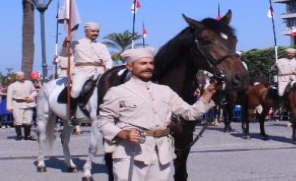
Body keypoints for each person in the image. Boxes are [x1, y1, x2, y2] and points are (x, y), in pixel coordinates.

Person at [98, 48, 220, 180]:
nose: (148, 66)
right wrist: (122, 134)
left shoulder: (165, 91)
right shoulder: (117, 92)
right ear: (129, 66)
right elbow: (103, 121)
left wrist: (209, 92)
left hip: (161, 154)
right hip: (131, 153)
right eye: (143, 63)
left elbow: (190, 113)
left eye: (151, 63)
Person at [59, 22, 113, 111]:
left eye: (97, 31)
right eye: (93, 31)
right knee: (76, 90)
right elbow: (64, 54)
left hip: (100, 72)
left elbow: (108, 59)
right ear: (86, 31)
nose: (96, 33)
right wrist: (65, 43)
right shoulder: (76, 43)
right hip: (82, 71)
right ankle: (72, 111)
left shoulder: (102, 46)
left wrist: (108, 69)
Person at [6, 71, 36, 141]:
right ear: (17, 77)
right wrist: (9, 107)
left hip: (28, 103)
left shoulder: (29, 83)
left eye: (23, 76)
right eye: (21, 76)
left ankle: (27, 135)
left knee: (28, 120)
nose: (23, 77)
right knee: (18, 120)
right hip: (17, 104)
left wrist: (31, 97)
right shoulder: (12, 86)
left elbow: (34, 91)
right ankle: (19, 135)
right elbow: (9, 97)